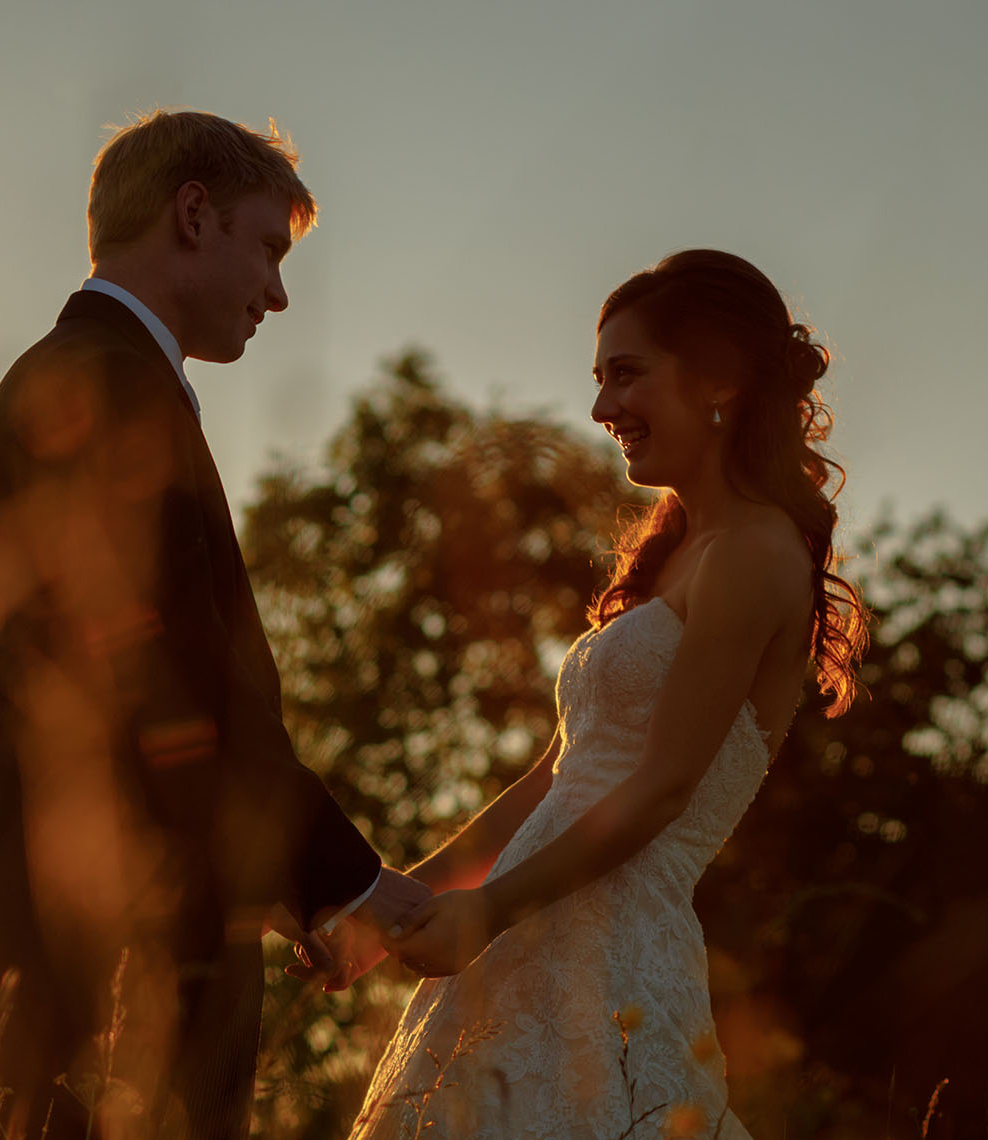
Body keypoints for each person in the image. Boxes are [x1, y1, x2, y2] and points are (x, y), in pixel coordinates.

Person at [0, 110, 427, 1140]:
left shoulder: (101, 379)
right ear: (193, 214)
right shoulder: (100, 388)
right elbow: (159, 679)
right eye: (267, 247)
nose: (279, 291)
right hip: (112, 938)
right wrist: (343, 880)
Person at [349, 250, 869, 1138]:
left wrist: (489, 910)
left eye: (626, 376)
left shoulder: (755, 554)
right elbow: (557, 778)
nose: (600, 410)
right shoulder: (681, 553)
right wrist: (393, 902)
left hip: (615, 954)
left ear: (721, 382)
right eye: (598, 381)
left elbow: (663, 787)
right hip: (535, 932)